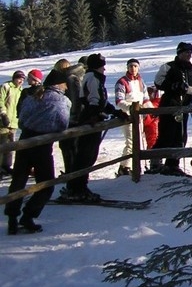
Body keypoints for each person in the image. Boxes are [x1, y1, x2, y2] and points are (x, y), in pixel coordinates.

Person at [5, 69, 71, 234]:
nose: (67, 87)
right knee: (46, 183)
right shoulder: (62, 101)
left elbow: (22, 118)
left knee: (18, 181)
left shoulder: (33, 95)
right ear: (60, 84)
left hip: (25, 140)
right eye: (65, 84)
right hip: (43, 143)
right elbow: (63, 124)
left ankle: (12, 218)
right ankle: (28, 215)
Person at [62, 53, 123, 201]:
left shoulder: (93, 77)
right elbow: (93, 101)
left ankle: (78, 186)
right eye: (102, 66)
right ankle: (77, 188)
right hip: (90, 118)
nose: (104, 69)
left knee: (88, 155)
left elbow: (100, 101)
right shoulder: (93, 78)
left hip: (92, 116)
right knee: (85, 155)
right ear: (97, 66)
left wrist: (114, 111)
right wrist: (95, 114)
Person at [151, 42, 192, 175]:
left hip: (184, 107)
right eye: (186, 52)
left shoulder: (190, 70)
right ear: (179, 53)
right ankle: (155, 163)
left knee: (180, 137)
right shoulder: (169, 66)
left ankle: (172, 164)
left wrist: (189, 99)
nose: (188, 55)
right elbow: (158, 82)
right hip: (169, 106)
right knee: (166, 135)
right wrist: (174, 86)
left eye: (190, 53)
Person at [114, 59, 150, 176]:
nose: (133, 69)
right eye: (130, 66)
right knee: (131, 142)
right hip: (128, 116)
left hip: (138, 116)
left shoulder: (140, 82)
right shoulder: (122, 82)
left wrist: (149, 110)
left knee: (138, 141)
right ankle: (125, 167)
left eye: (135, 66)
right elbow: (119, 101)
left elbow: (145, 98)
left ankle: (128, 166)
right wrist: (131, 108)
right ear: (127, 68)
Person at [0, 70, 26, 177]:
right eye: (19, 78)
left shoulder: (20, 90)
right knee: (2, 144)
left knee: (11, 145)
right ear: (14, 78)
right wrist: (3, 114)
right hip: (3, 122)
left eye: (23, 79)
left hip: (14, 122)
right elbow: (0, 101)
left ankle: (7, 165)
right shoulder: (6, 86)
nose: (21, 81)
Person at [143, 85, 160, 151]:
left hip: (154, 133)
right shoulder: (148, 104)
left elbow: (148, 119)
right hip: (151, 135)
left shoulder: (156, 103)